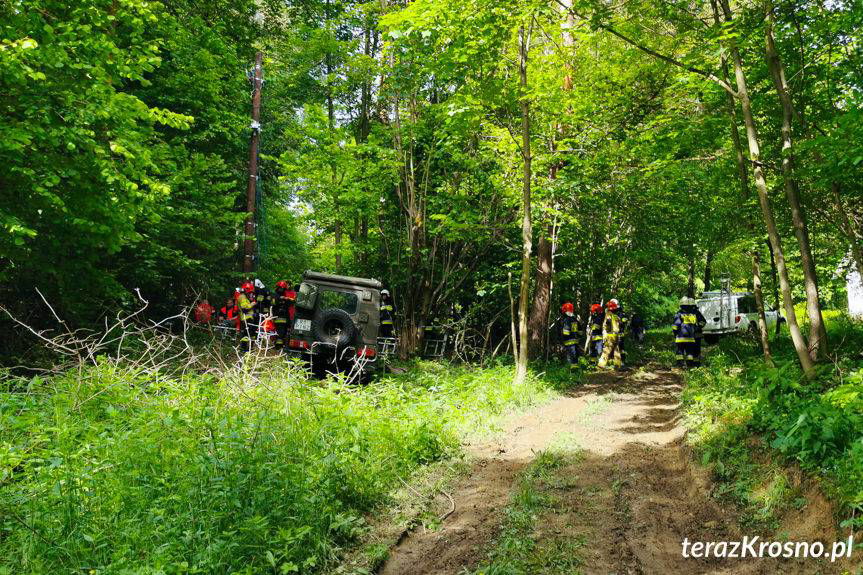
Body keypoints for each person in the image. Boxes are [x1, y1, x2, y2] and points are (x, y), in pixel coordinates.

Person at [672, 297, 707, 368]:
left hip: (687, 336)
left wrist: (675, 333)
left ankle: (682, 364)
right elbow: (702, 322)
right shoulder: (694, 313)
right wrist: (696, 328)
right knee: (691, 351)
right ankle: (691, 364)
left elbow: (676, 325)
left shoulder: (681, 313)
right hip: (691, 336)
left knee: (682, 350)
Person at [598, 299, 624, 370]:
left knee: (616, 350)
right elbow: (608, 325)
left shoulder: (613, 315)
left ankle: (617, 365)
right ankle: (601, 366)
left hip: (614, 335)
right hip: (610, 335)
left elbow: (618, 323)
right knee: (607, 351)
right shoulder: (609, 314)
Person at [272, 280, 295, 352]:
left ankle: (281, 347)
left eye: (282, 288)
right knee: (280, 334)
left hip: (284, 318)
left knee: (282, 334)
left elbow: (291, 303)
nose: (281, 290)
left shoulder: (284, 296)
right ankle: (278, 347)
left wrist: (287, 299)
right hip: (280, 317)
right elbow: (274, 302)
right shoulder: (276, 296)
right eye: (280, 288)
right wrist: (283, 299)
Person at [559, 302, 581, 367]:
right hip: (575, 341)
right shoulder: (575, 319)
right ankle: (575, 371)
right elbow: (580, 331)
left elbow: (566, 332)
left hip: (568, 342)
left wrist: (561, 335)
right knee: (574, 357)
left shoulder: (567, 319)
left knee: (570, 357)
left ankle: (569, 372)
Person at [237, 281, 257, 353]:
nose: (250, 294)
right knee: (245, 334)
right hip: (246, 319)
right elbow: (245, 308)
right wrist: (252, 304)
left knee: (248, 334)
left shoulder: (244, 297)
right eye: (250, 292)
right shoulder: (242, 297)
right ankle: (244, 349)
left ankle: (246, 348)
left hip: (247, 318)